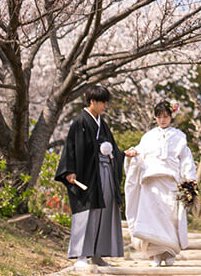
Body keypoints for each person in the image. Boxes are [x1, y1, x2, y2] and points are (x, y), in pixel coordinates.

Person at [55, 85, 136, 271]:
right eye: (103, 102)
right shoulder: (80, 122)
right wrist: (69, 170)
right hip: (87, 175)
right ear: (92, 101)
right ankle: (81, 255)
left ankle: (98, 255)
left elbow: (112, 148)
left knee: (105, 210)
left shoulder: (103, 124)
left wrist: (123, 153)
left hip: (105, 172)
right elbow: (71, 148)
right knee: (86, 213)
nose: (105, 106)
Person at [124, 101, 198, 267]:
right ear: (155, 118)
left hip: (171, 182)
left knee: (170, 217)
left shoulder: (179, 137)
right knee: (152, 218)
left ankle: (169, 252)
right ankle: (155, 255)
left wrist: (190, 180)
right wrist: (132, 156)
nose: (162, 120)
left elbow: (186, 160)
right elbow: (139, 156)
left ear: (171, 117)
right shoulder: (148, 137)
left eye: (166, 116)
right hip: (151, 183)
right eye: (159, 117)